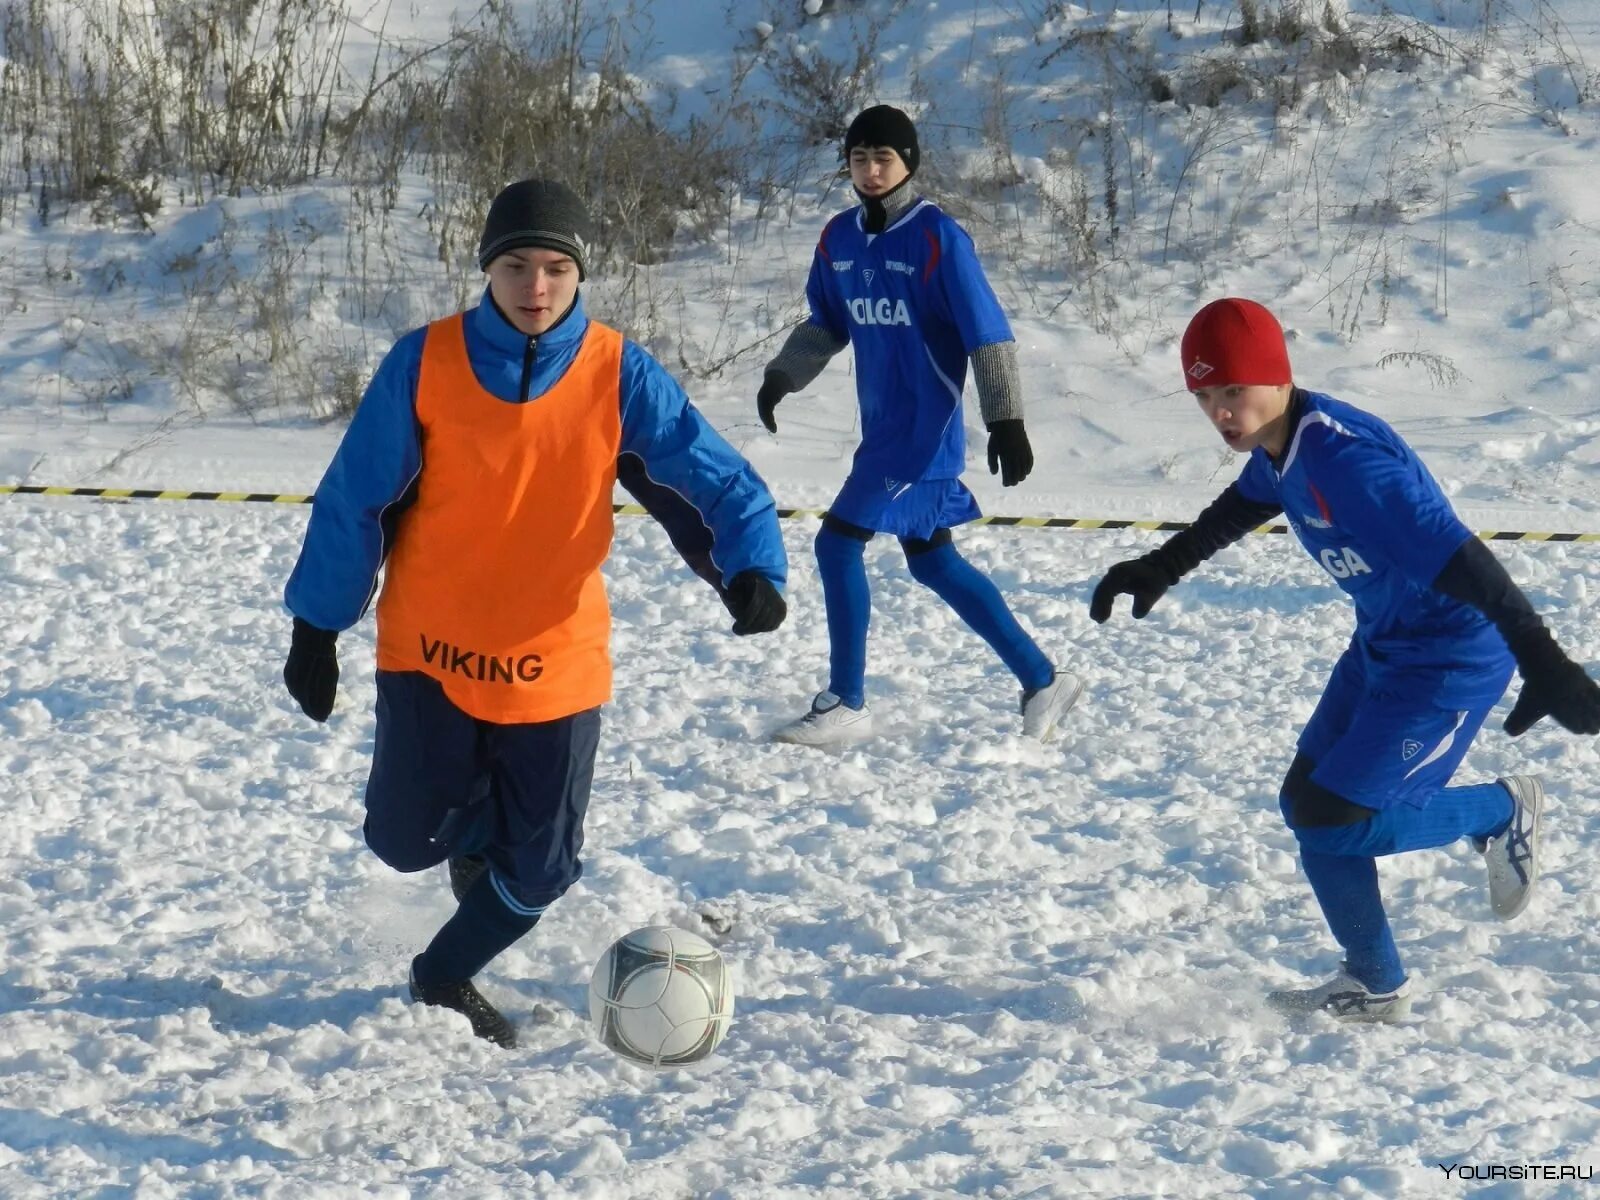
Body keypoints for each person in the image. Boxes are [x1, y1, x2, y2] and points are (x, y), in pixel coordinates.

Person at [281, 178, 788, 1048]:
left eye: (556, 267)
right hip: (431, 653)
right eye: (517, 265)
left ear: (579, 273)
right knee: (404, 844)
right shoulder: (424, 360)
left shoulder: (618, 370)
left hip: (555, 662)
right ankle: (474, 828)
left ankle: (443, 974)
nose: (537, 286)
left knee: (541, 872)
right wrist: (316, 624)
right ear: (489, 268)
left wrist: (752, 566)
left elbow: (709, 474)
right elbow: (356, 497)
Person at [1090, 297, 1600, 1022]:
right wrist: (1160, 567)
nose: (1222, 414)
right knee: (1307, 803)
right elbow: (1243, 505)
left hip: (1451, 655)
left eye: (1233, 391)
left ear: (1274, 375)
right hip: (1383, 644)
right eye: (1205, 397)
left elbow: (1466, 559)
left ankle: (1499, 808)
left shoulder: (1345, 459)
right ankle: (1375, 981)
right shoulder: (1281, 442)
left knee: (1337, 818)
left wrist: (1543, 659)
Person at [757, 103, 1081, 746]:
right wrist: (782, 375)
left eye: (884, 157)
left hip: (922, 437)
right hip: (881, 431)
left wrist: (1005, 421)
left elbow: (987, 336)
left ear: (909, 162)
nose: (872, 170)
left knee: (836, 543)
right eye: (859, 158)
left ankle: (847, 700)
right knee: (933, 562)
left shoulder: (938, 237)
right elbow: (827, 323)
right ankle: (1045, 679)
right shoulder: (838, 239)